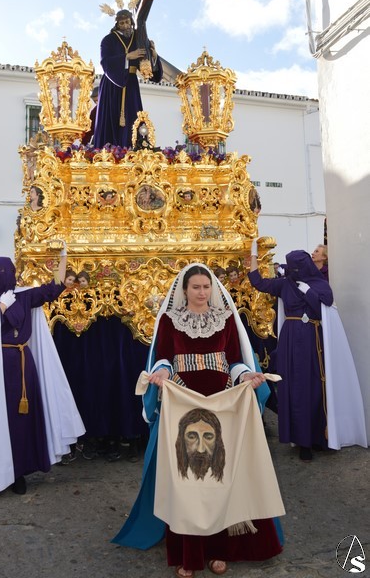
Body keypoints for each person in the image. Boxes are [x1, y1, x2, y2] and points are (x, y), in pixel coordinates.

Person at [112, 264, 284, 577]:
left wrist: (246, 376)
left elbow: (234, 360)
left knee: (220, 475)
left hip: (222, 405)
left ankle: (219, 550)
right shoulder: (169, 320)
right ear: (185, 290)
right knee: (187, 480)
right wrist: (162, 373)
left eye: (206, 287)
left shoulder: (226, 318)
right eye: (196, 287)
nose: (202, 292)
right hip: (183, 405)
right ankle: (189, 554)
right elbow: (163, 357)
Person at [0, 246, 85, 500]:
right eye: (3, 272)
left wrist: (62, 258)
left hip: (21, 365)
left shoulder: (22, 296)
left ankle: (18, 472)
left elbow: (53, 289)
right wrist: (0, 307)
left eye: (10, 272)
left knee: (20, 420)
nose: (8, 276)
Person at [248, 243, 367, 461]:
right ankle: (302, 440)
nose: (294, 272)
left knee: (316, 386)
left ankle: (319, 436)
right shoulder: (285, 283)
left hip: (313, 340)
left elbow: (324, 307)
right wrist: (253, 255)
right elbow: (259, 282)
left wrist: (309, 292)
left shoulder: (319, 284)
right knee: (295, 387)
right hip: (291, 340)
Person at [93, 9, 163, 149]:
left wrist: (154, 55)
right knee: (111, 119)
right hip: (112, 84)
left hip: (131, 84)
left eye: (127, 22)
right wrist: (127, 57)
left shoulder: (139, 39)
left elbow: (150, 72)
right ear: (117, 24)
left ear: (132, 22)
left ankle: (134, 151)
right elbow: (105, 62)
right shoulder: (108, 40)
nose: (125, 26)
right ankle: (108, 152)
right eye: (122, 23)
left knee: (133, 119)